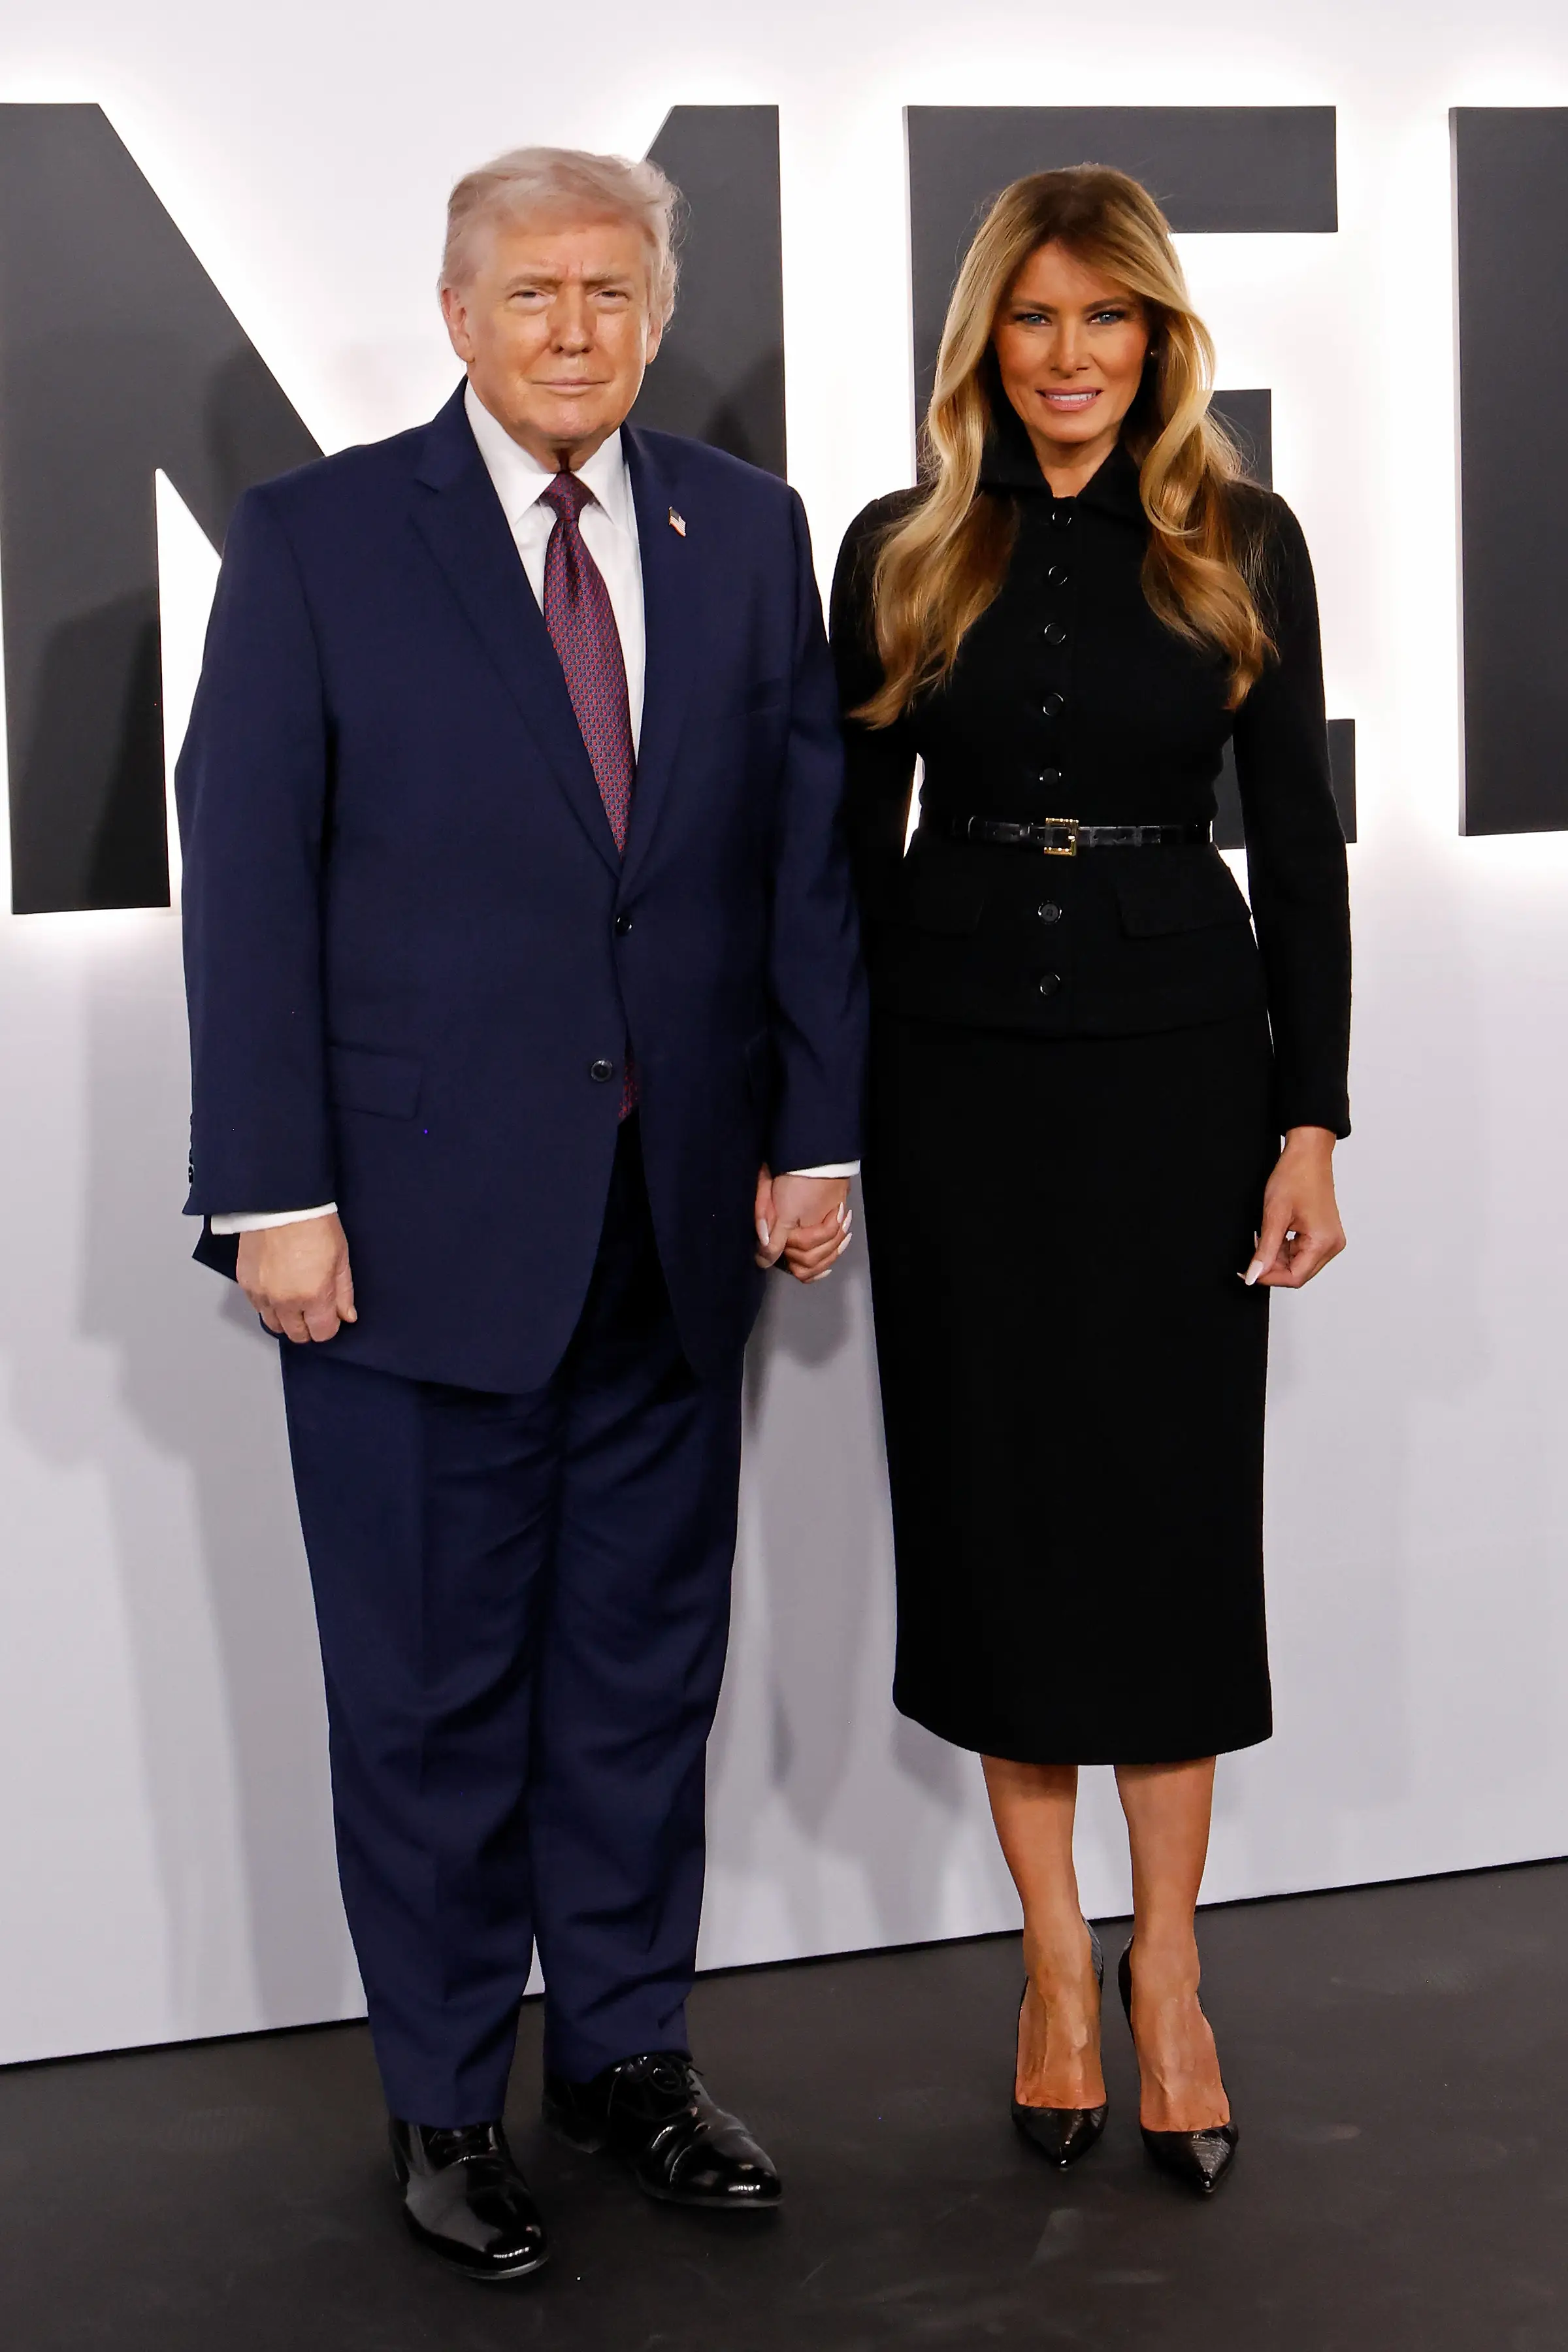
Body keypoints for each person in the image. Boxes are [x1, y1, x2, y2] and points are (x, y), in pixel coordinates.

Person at [178, 146, 865, 2281]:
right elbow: (248, 882)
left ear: (657, 317)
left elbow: (799, 864)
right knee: (431, 1692)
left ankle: (632, 2059)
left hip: (672, 1222)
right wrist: (270, 1191)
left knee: (643, 1676)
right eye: (535, 294)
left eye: (613, 295)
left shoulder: (744, 534)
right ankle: (450, 2098)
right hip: (397, 1242)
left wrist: (814, 1133)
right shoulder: (312, 543)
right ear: (458, 313)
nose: (576, 330)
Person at [826, 165, 1349, 2197]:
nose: (1070, 361)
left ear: (1159, 339)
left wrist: (1315, 1117)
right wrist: (822, 1116)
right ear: (986, 344)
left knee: (1159, 1516)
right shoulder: (902, 547)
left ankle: (1172, 1977)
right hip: (954, 1080)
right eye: (1034, 323)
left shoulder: (1241, 536)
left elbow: (1294, 839)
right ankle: (1053, 1965)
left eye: (1106, 322)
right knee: (993, 1511)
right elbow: (841, 858)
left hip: (1179, 1083)